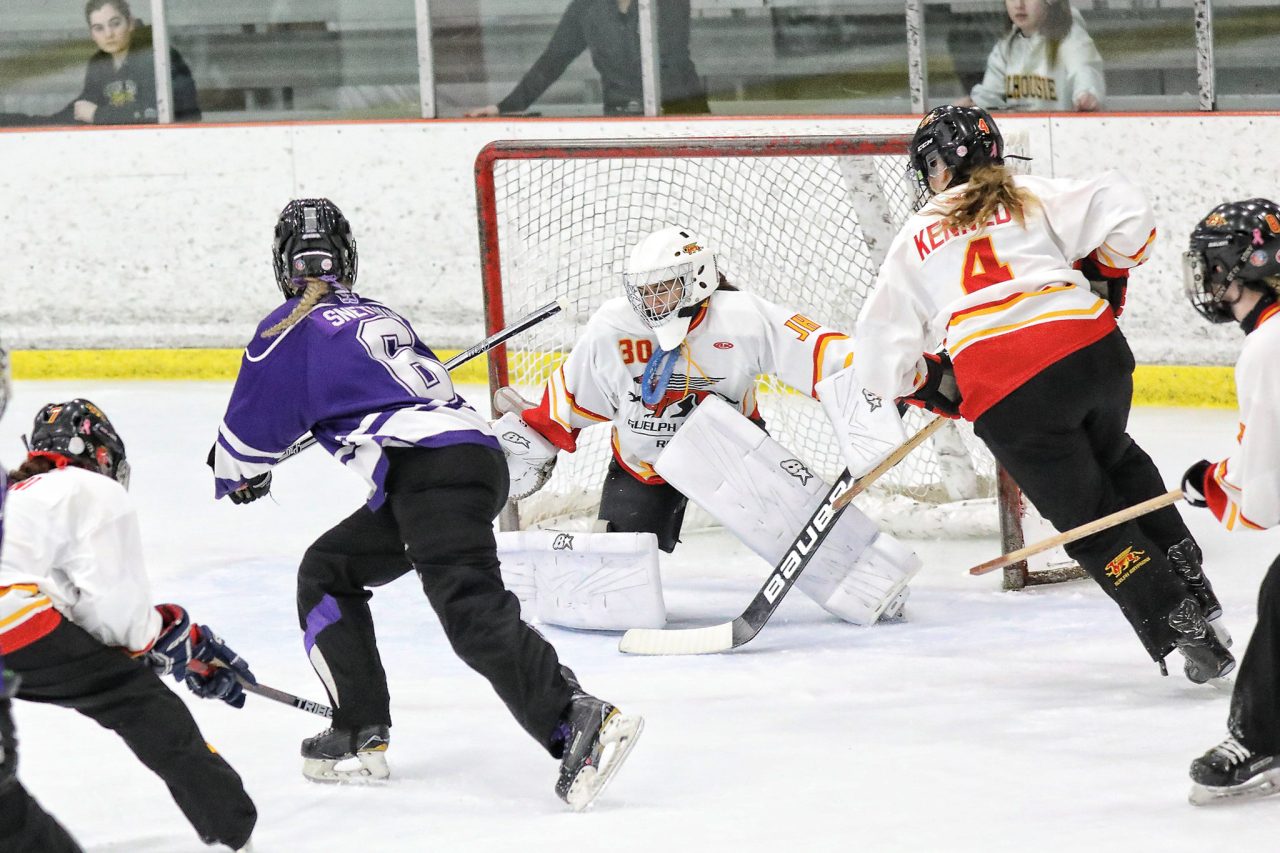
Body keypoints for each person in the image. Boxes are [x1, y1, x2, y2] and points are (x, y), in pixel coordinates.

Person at [209, 198, 641, 809]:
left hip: (430, 475)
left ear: (282, 264)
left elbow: (248, 438)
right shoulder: (378, 315)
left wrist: (239, 475)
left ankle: (574, 718)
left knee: (469, 610)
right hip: (464, 462)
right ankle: (358, 729)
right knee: (330, 569)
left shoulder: (287, 326)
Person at [852, 105, 1232, 684]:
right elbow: (1128, 207)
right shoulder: (1031, 193)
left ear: (934, 167)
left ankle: (1178, 621)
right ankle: (1195, 584)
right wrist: (1105, 272)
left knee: (1091, 520)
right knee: (1117, 458)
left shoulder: (915, 236)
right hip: (1095, 354)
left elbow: (879, 358)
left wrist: (933, 384)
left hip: (1011, 390)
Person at [491, 225, 919, 627]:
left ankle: (876, 587)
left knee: (798, 530)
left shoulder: (743, 318)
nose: (650, 303)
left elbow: (823, 352)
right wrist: (531, 438)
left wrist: (894, 373)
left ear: (697, 280)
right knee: (614, 572)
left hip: (734, 455)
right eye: (644, 292)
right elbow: (571, 398)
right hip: (645, 463)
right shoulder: (613, 325)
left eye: (662, 289)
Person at [0, 397, 256, 850]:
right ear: (101, 453)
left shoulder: (20, 494)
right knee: (137, 701)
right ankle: (232, 831)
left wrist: (169, 633)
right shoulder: (87, 488)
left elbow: (76, 613)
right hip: (11, 624)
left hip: (15, 626)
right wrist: (163, 636)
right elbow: (121, 626)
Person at [1181, 198, 1280, 804]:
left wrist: (1212, 483)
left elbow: (1265, 493)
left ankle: (1262, 737)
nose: (1208, 281)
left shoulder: (1268, 347)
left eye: (1212, 267)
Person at [465, 0, 708, 117]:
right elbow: (553, 60)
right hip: (622, 117)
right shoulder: (586, 7)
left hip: (682, 114)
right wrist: (503, 107)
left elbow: (669, 54)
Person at [52, 0, 201, 125]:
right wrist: (34, 122)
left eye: (115, 24)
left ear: (130, 23)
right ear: (92, 34)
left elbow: (156, 113)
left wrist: (97, 115)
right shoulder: (99, 62)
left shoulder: (155, 54)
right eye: (99, 28)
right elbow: (83, 107)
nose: (109, 34)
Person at [960, 0, 1104, 112]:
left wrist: (1086, 94)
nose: (1019, 5)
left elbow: (1084, 70)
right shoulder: (1007, 45)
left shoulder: (1070, 37)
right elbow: (990, 95)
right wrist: (974, 104)